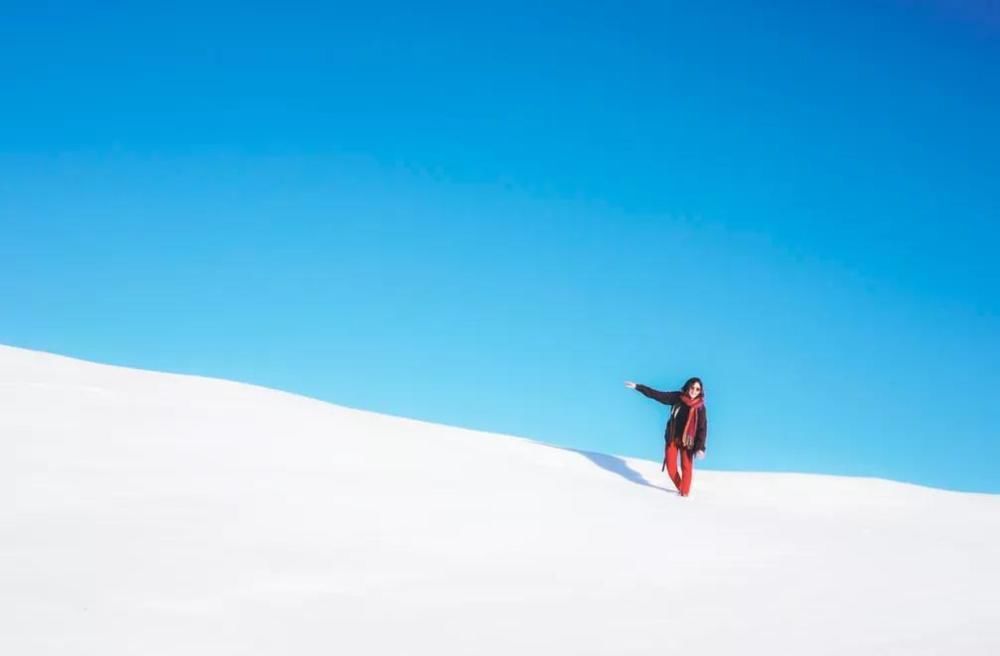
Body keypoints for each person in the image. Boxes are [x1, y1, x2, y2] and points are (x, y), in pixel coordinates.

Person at [624, 378, 707, 497]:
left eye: (697, 389)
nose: (694, 391)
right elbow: (658, 395)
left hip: (689, 442)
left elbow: (702, 429)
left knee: (686, 468)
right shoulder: (677, 398)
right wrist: (639, 387)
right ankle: (682, 489)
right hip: (673, 438)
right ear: (688, 387)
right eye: (692, 387)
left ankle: (684, 494)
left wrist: (700, 448)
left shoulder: (700, 408)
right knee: (671, 467)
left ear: (700, 391)